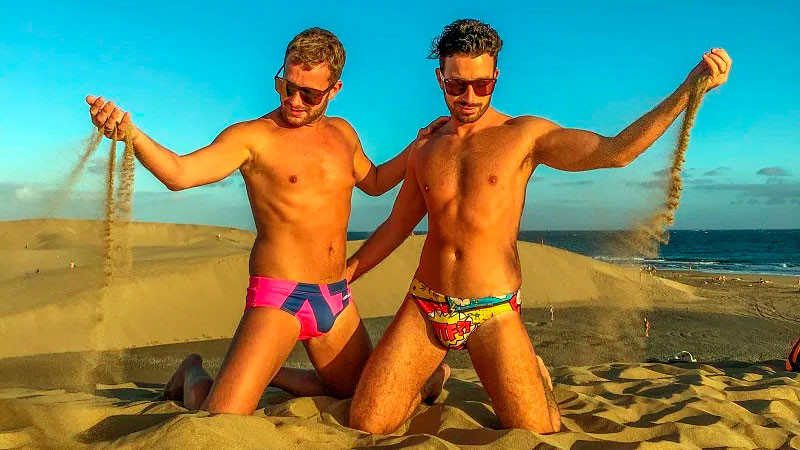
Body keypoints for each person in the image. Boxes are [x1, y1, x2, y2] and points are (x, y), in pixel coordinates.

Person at [346, 19, 731, 434]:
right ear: (440, 79)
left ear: (496, 77)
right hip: (426, 302)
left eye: (481, 84)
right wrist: (346, 274)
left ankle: (536, 373)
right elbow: (396, 226)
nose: (469, 97)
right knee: (367, 422)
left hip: (491, 309)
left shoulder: (523, 136)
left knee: (537, 431)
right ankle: (432, 378)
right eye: (456, 85)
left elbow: (615, 152)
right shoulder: (425, 146)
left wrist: (687, 90)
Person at [86, 27, 447, 415]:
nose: (293, 100)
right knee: (220, 415)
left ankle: (267, 373)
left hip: (335, 299)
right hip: (279, 297)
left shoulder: (343, 133)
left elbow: (374, 182)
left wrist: (417, 147)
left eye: (309, 94)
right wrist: (132, 135)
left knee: (360, 396)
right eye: (286, 86)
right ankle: (192, 372)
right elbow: (180, 173)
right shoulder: (252, 137)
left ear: (334, 90)